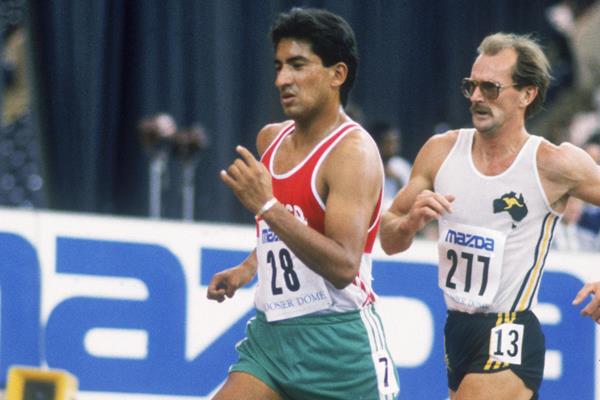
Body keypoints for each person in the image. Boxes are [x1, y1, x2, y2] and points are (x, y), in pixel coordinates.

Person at [379, 32, 600, 400]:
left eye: (491, 88)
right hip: (458, 330)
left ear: (527, 94)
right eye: (472, 86)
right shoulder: (440, 151)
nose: (477, 97)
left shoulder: (553, 163)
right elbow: (388, 238)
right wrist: (410, 222)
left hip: (510, 330)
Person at [207, 8, 399, 400]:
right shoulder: (270, 140)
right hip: (271, 336)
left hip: (338, 347)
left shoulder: (353, 154)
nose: (282, 79)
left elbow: (344, 266)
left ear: (337, 74)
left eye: (297, 65)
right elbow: (285, 231)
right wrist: (246, 270)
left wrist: (267, 208)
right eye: (278, 66)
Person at [368, 121, 412, 210]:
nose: (393, 147)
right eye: (388, 143)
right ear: (377, 143)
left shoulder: (401, 166)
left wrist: (397, 179)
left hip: (396, 216)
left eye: (395, 142)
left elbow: (411, 199)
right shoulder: (365, 166)